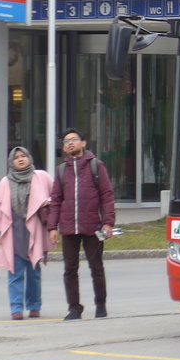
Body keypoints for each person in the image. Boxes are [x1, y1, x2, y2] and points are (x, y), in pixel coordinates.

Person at [48, 128, 115, 320]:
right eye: (66, 141)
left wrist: (108, 222)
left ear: (83, 143)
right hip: (69, 228)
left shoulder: (96, 166)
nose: (70, 143)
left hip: (92, 226)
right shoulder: (61, 170)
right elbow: (55, 200)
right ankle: (74, 308)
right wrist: (52, 227)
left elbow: (107, 195)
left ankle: (100, 305)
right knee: (70, 270)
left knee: (96, 267)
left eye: (74, 139)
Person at [0, 147, 53, 320]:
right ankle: (16, 308)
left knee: (34, 273)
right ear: (11, 162)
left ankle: (34, 306)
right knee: (15, 272)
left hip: (34, 232)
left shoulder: (40, 177)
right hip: (14, 234)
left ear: (29, 158)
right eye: (16, 157)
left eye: (23, 156)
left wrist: (48, 204)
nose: (20, 159)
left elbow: (56, 195)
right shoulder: (5, 182)